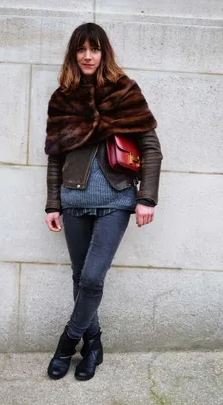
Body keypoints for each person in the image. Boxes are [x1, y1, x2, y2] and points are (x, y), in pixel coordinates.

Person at [44, 22, 162, 381]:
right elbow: (54, 157)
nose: (87, 56)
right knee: (80, 277)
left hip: (116, 199)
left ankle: (67, 343)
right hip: (73, 200)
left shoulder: (125, 92)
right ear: (73, 54)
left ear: (104, 52)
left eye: (94, 49)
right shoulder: (62, 98)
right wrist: (53, 203)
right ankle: (93, 343)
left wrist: (147, 198)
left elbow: (151, 149)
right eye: (81, 49)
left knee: (93, 278)